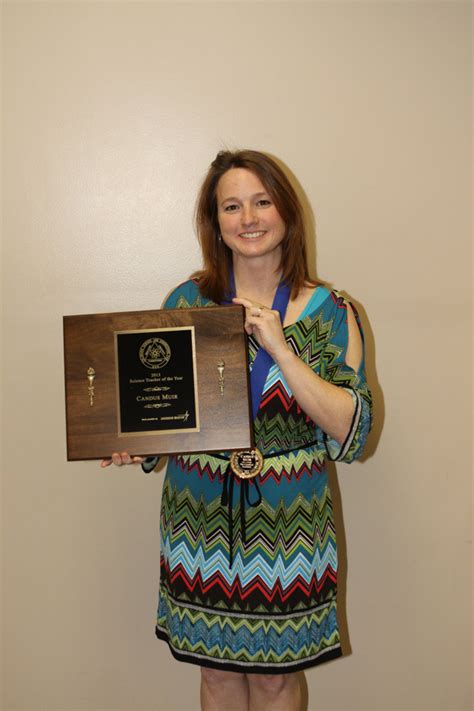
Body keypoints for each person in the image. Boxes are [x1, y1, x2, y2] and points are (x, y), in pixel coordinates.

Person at [102, 150, 372, 710]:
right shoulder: (187, 302)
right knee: (216, 676)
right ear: (216, 223)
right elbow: (163, 408)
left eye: (261, 202)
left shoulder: (330, 310)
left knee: (277, 679)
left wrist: (279, 347)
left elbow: (352, 432)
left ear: (286, 214)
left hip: (290, 525)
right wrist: (136, 439)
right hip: (198, 519)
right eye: (232, 206)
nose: (248, 217)